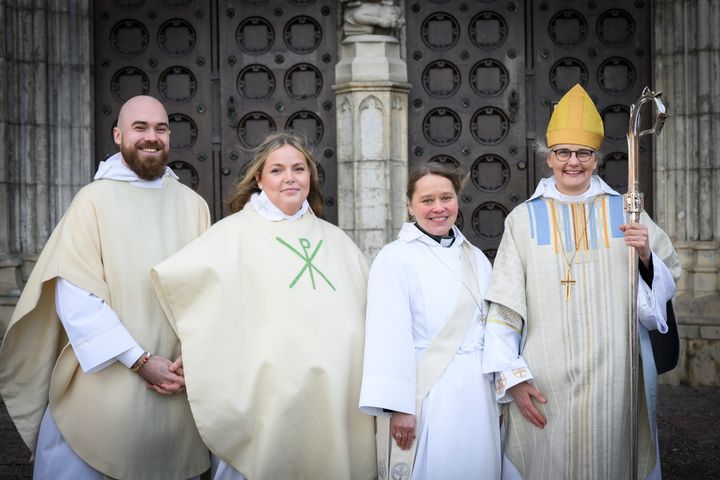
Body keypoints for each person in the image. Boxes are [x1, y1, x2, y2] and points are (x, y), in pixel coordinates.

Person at [0, 95, 211, 479]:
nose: (152, 137)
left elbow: (206, 294)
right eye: (140, 128)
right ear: (118, 135)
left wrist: (191, 360)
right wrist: (141, 362)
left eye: (160, 128)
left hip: (177, 387)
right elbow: (78, 298)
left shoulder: (193, 205)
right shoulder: (91, 202)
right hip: (105, 387)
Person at [482, 84, 681, 479]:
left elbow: (665, 283)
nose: (573, 162)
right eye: (563, 153)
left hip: (614, 383)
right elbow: (504, 308)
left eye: (584, 153)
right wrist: (513, 381)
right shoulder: (522, 220)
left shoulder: (626, 211)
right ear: (549, 157)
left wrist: (645, 256)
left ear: (596, 158)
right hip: (544, 382)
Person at [150, 131, 376, 480]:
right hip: (263, 399)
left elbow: (367, 315)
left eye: (299, 169)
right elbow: (202, 305)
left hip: (332, 399)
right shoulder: (233, 234)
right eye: (277, 170)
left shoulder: (338, 241)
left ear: (310, 177)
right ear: (259, 177)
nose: (290, 178)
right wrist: (196, 353)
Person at [359, 163, 502, 480]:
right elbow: (387, 337)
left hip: (478, 395)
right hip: (427, 396)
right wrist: (400, 407)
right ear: (410, 205)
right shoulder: (395, 258)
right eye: (427, 200)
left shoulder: (475, 257)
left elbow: (494, 328)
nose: (438, 208)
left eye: (446, 198)